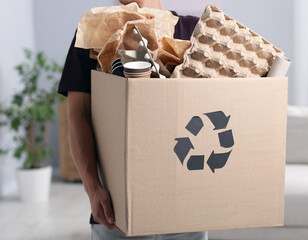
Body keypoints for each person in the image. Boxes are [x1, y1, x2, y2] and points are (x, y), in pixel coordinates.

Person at [58, 0, 207, 239]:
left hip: (187, 215)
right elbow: (78, 114)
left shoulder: (193, 31)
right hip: (117, 216)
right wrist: (93, 189)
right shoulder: (92, 30)